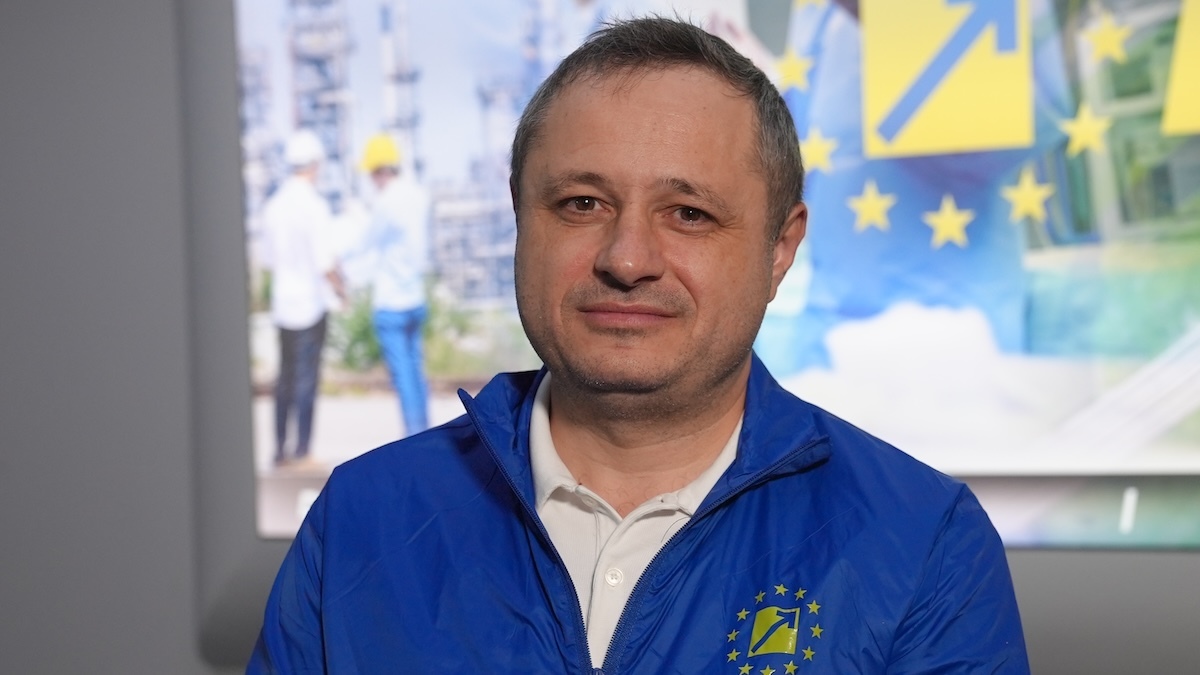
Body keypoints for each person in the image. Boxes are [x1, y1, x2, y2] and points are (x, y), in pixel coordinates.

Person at [250, 17, 1029, 673]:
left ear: (780, 249)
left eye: (688, 214)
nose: (627, 259)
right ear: (521, 217)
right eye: (581, 203)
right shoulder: (361, 520)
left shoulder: (924, 546)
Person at [258, 129, 345, 466]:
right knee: (307, 379)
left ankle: (279, 449)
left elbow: (268, 258)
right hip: (310, 302)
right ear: (314, 165)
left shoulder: (273, 206)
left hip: (283, 301)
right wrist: (341, 289)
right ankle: (302, 450)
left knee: (285, 379)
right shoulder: (315, 206)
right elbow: (324, 262)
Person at [354, 133, 432, 437]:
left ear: (379, 170)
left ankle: (414, 435)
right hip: (416, 298)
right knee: (416, 371)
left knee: (403, 378)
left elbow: (366, 242)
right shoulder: (419, 195)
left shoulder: (385, 202)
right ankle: (425, 432)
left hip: (390, 302)